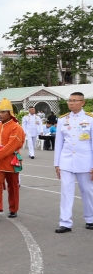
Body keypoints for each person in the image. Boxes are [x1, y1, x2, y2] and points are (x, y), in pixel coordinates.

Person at [53, 91, 93, 233]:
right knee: (66, 191)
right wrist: (57, 164)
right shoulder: (63, 120)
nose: (71, 103)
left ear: (82, 102)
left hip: (85, 162)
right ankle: (65, 222)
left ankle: (90, 219)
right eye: (69, 100)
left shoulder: (90, 119)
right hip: (66, 161)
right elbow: (58, 143)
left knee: (87, 191)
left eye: (75, 100)